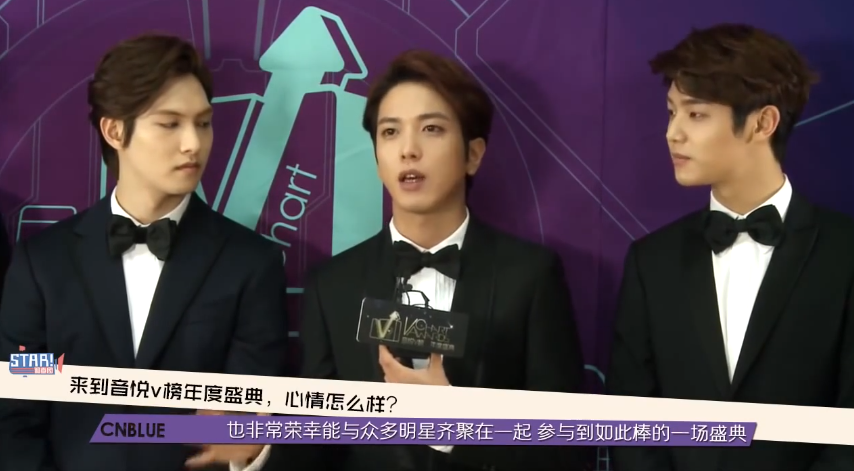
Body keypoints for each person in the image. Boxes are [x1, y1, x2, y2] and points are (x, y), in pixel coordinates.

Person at [0, 33, 289, 471]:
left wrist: (249, 451)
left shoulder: (250, 264)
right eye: (170, 124)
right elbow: (17, 412)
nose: (194, 143)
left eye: (203, 123)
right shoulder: (42, 264)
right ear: (115, 131)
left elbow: (249, 417)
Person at [291, 49, 587, 471]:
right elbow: (313, 442)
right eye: (390, 132)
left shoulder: (531, 277)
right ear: (376, 156)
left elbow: (564, 446)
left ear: (473, 154)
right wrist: (256, 453)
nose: (408, 150)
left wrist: (454, 426)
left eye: (431, 129)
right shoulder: (332, 285)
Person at [606, 23, 854, 471]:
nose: (672, 133)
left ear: (763, 122)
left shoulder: (844, 253)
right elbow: (631, 418)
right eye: (671, 112)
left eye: (696, 114)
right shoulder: (651, 261)